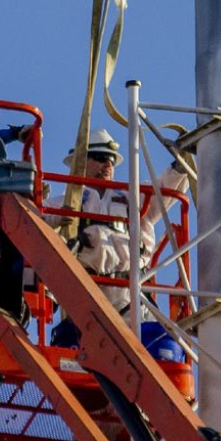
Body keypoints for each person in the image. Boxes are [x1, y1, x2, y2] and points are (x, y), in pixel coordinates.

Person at [45, 128, 188, 319]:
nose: (108, 164)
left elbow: (162, 189)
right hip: (86, 290)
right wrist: (40, 204)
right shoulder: (65, 201)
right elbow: (31, 219)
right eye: (101, 157)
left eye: (111, 160)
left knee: (160, 343)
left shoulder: (130, 197)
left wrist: (180, 165)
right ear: (80, 162)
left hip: (130, 294)